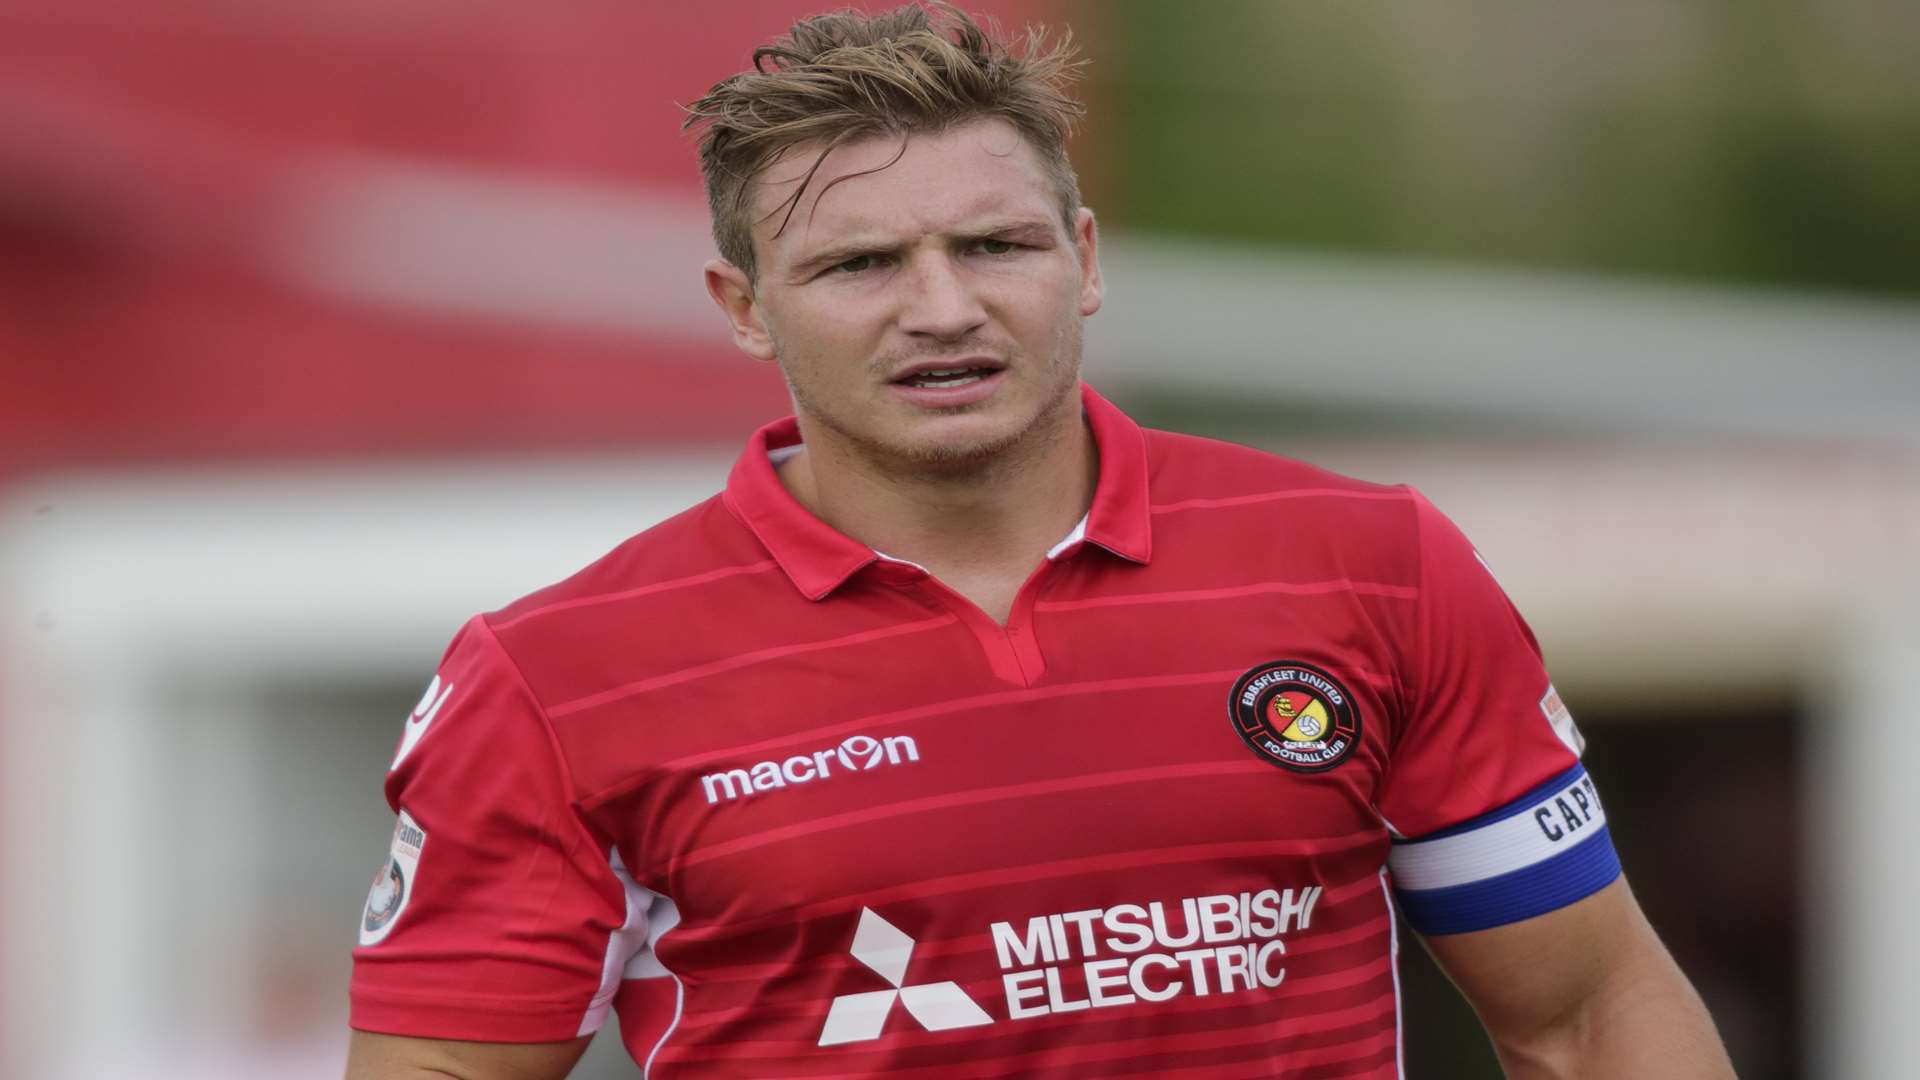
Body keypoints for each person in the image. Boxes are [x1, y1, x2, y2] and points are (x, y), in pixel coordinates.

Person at [345, 5, 1736, 1078]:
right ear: (744, 304)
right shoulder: (555, 681)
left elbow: (1592, 1015)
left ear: (1086, 254)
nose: (942, 308)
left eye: (996, 247)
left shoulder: (1370, 568)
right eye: (860, 265)